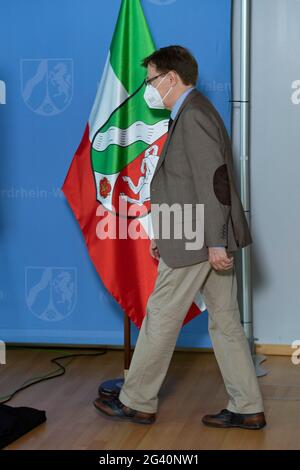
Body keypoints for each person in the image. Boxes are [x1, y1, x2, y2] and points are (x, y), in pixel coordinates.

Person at [94, 45, 266, 430]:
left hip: (199, 237)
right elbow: (186, 185)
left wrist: (217, 241)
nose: (147, 88)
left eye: (151, 79)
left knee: (161, 316)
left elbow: (215, 181)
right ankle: (247, 405)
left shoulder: (194, 116)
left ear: (171, 78)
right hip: (192, 231)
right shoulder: (190, 112)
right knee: (225, 322)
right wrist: (165, 229)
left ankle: (137, 401)